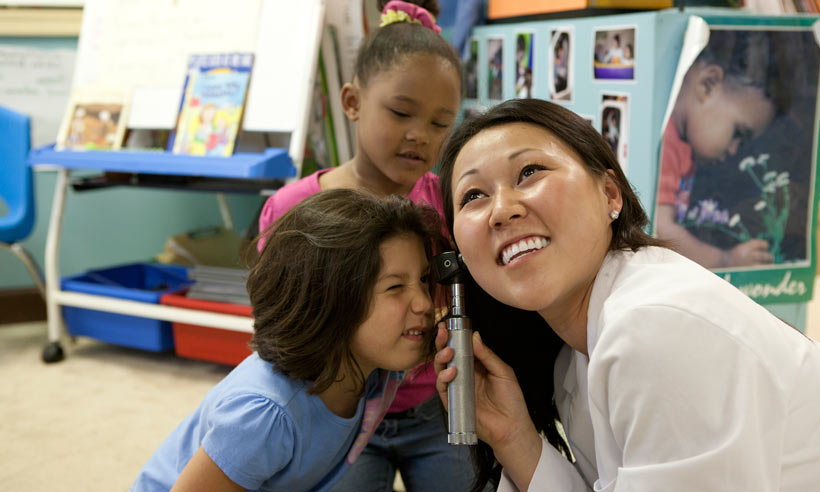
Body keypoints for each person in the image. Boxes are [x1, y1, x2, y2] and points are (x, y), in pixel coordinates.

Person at [434, 98, 820, 492]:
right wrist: (512, 435)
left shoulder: (653, 327)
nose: (501, 209)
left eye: (530, 172)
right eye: (473, 196)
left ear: (610, 195)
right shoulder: (575, 355)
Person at [256, 1, 475, 491]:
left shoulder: (446, 201)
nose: (420, 135)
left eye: (442, 123)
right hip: (336, 414)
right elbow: (276, 325)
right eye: (400, 112)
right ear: (352, 101)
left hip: (434, 408)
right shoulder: (293, 209)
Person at [131, 189, 446, 492]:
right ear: (326, 301)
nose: (424, 303)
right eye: (395, 288)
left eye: (422, 280)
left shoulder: (373, 371)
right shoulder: (264, 416)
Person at [655, 30, 791, 268]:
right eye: (738, 133)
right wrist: (725, 259)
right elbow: (660, 228)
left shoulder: (682, 143)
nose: (734, 150)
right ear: (708, 85)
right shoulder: (666, 143)